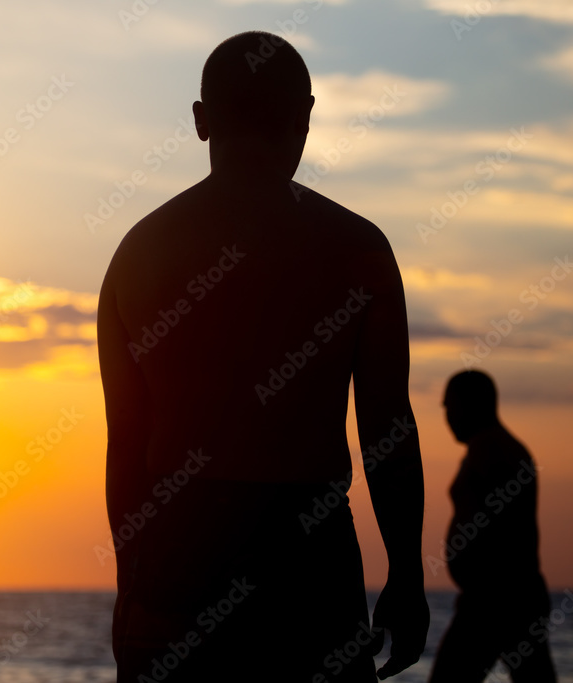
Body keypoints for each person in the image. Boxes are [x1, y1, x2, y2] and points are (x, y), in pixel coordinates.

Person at [97, 31, 429, 681]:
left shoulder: (137, 255)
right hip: (309, 560)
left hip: (177, 556)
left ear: (200, 120)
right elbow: (387, 429)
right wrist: (408, 576)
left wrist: (131, 582)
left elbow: (127, 444)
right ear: (304, 116)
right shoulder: (357, 249)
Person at [429, 370, 556, 682]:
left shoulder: (493, 449)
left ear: (471, 404)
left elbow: (504, 529)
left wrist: (487, 586)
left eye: (450, 406)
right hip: (500, 597)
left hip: (495, 599)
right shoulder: (491, 447)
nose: (447, 416)